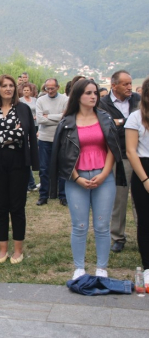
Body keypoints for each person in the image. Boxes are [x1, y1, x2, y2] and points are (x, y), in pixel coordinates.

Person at [50, 79, 124, 280]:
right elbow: (63, 155)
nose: (93, 96)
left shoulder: (105, 118)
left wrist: (104, 173)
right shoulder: (67, 122)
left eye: (95, 93)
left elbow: (112, 149)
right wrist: (76, 177)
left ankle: (102, 268)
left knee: (102, 225)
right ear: (78, 96)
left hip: (103, 176)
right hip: (77, 179)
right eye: (88, 93)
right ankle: (79, 268)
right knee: (79, 226)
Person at [0, 74, 39, 264]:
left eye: (11, 85)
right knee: (1, 206)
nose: (8, 88)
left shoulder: (23, 109)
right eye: (4, 86)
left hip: (18, 161)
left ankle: (18, 250)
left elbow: (23, 133)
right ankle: (2, 250)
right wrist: (9, 135)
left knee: (17, 206)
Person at [99, 70, 140, 253]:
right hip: (119, 157)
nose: (129, 87)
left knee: (141, 199)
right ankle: (118, 236)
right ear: (113, 86)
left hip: (139, 156)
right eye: (125, 84)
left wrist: (121, 123)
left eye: (130, 83)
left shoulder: (138, 100)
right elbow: (106, 128)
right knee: (119, 199)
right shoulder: (103, 104)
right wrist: (129, 124)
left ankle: (143, 234)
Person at [126, 77, 149, 288]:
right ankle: (148, 266)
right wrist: (145, 179)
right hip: (144, 168)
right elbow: (131, 151)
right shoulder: (135, 117)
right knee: (145, 221)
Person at [36, 78, 69, 206]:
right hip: (44, 138)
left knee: (61, 168)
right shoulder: (41, 100)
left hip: (60, 138)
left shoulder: (65, 100)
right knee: (44, 168)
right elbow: (39, 119)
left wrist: (48, 116)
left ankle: (63, 195)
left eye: (52, 88)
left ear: (58, 87)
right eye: (47, 88)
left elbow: (66, 118)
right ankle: (44, 195)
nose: (49, 91)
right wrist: (58, 116)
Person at [19, 83, 39, 192]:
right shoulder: (20, 101)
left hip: (36, 126)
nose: (26, 92)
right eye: (25, 90)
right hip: (25, 128)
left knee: (32, 153)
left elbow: (40, 113)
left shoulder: (35, 100)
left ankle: (31, 183)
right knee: (25, 155)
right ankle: (29, 183)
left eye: (28, 90)